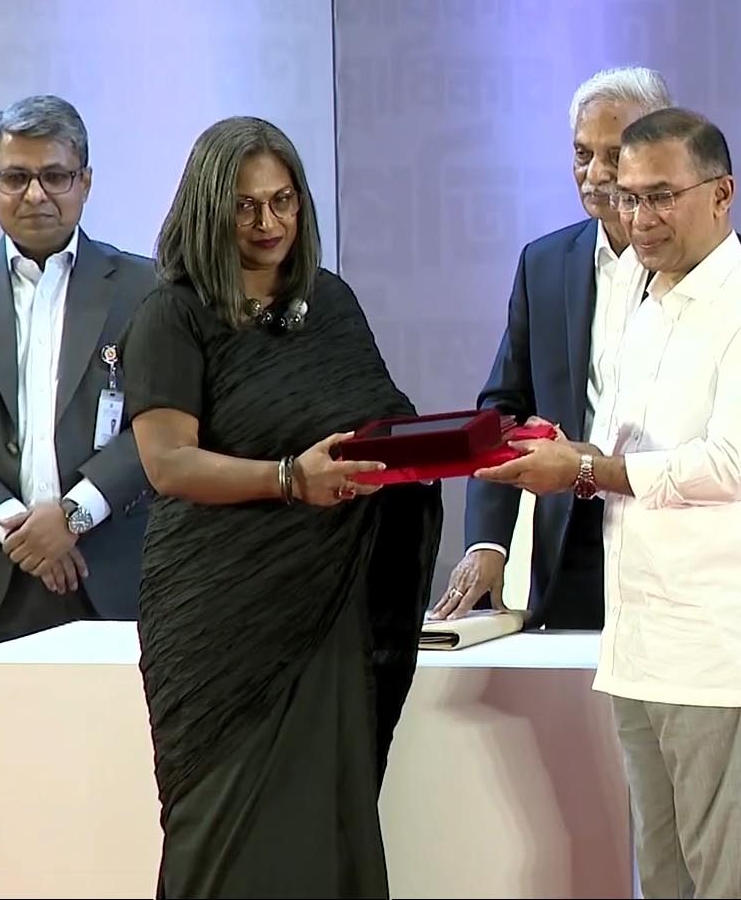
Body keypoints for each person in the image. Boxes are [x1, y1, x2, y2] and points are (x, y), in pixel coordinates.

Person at [476, 108, 741, 899]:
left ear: (722, 194)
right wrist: (562, 453)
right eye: (628, 198)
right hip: (638, 640)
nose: (640, 218)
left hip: (720, 650)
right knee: (660, 878)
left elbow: (728, 464)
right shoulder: (639, 295)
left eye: (662, 196)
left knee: (729, 882)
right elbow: (616, 442)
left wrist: (586, 468)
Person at [119, 117, 443, 898]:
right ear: (208, 208)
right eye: (245, 206)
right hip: (221, 612)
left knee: (327, 822)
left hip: (328, 604)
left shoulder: (330, 302)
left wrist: (462, 450)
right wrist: (290, 479)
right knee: (223, 831)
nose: (269, 223)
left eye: (283, 201)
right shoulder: (172, 314)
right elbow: (167, 463)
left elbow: (380, 425)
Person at [434, 68, 741, 627]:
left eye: (615, 155)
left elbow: (731, 450)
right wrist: (489, 542)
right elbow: (503, 409)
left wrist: (597, 467)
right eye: (582, 154)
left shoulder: (730, 270)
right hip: (571, 544)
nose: (596, 175)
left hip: (678, 547)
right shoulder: (543, 265)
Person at [0, 94, 154, 656]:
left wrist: (71, 518)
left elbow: (161, 423)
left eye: (55, 176)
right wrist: (18, 529)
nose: (35, 194)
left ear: (85, 182)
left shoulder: (146, 288)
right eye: (16, 177)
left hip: (108, 574)